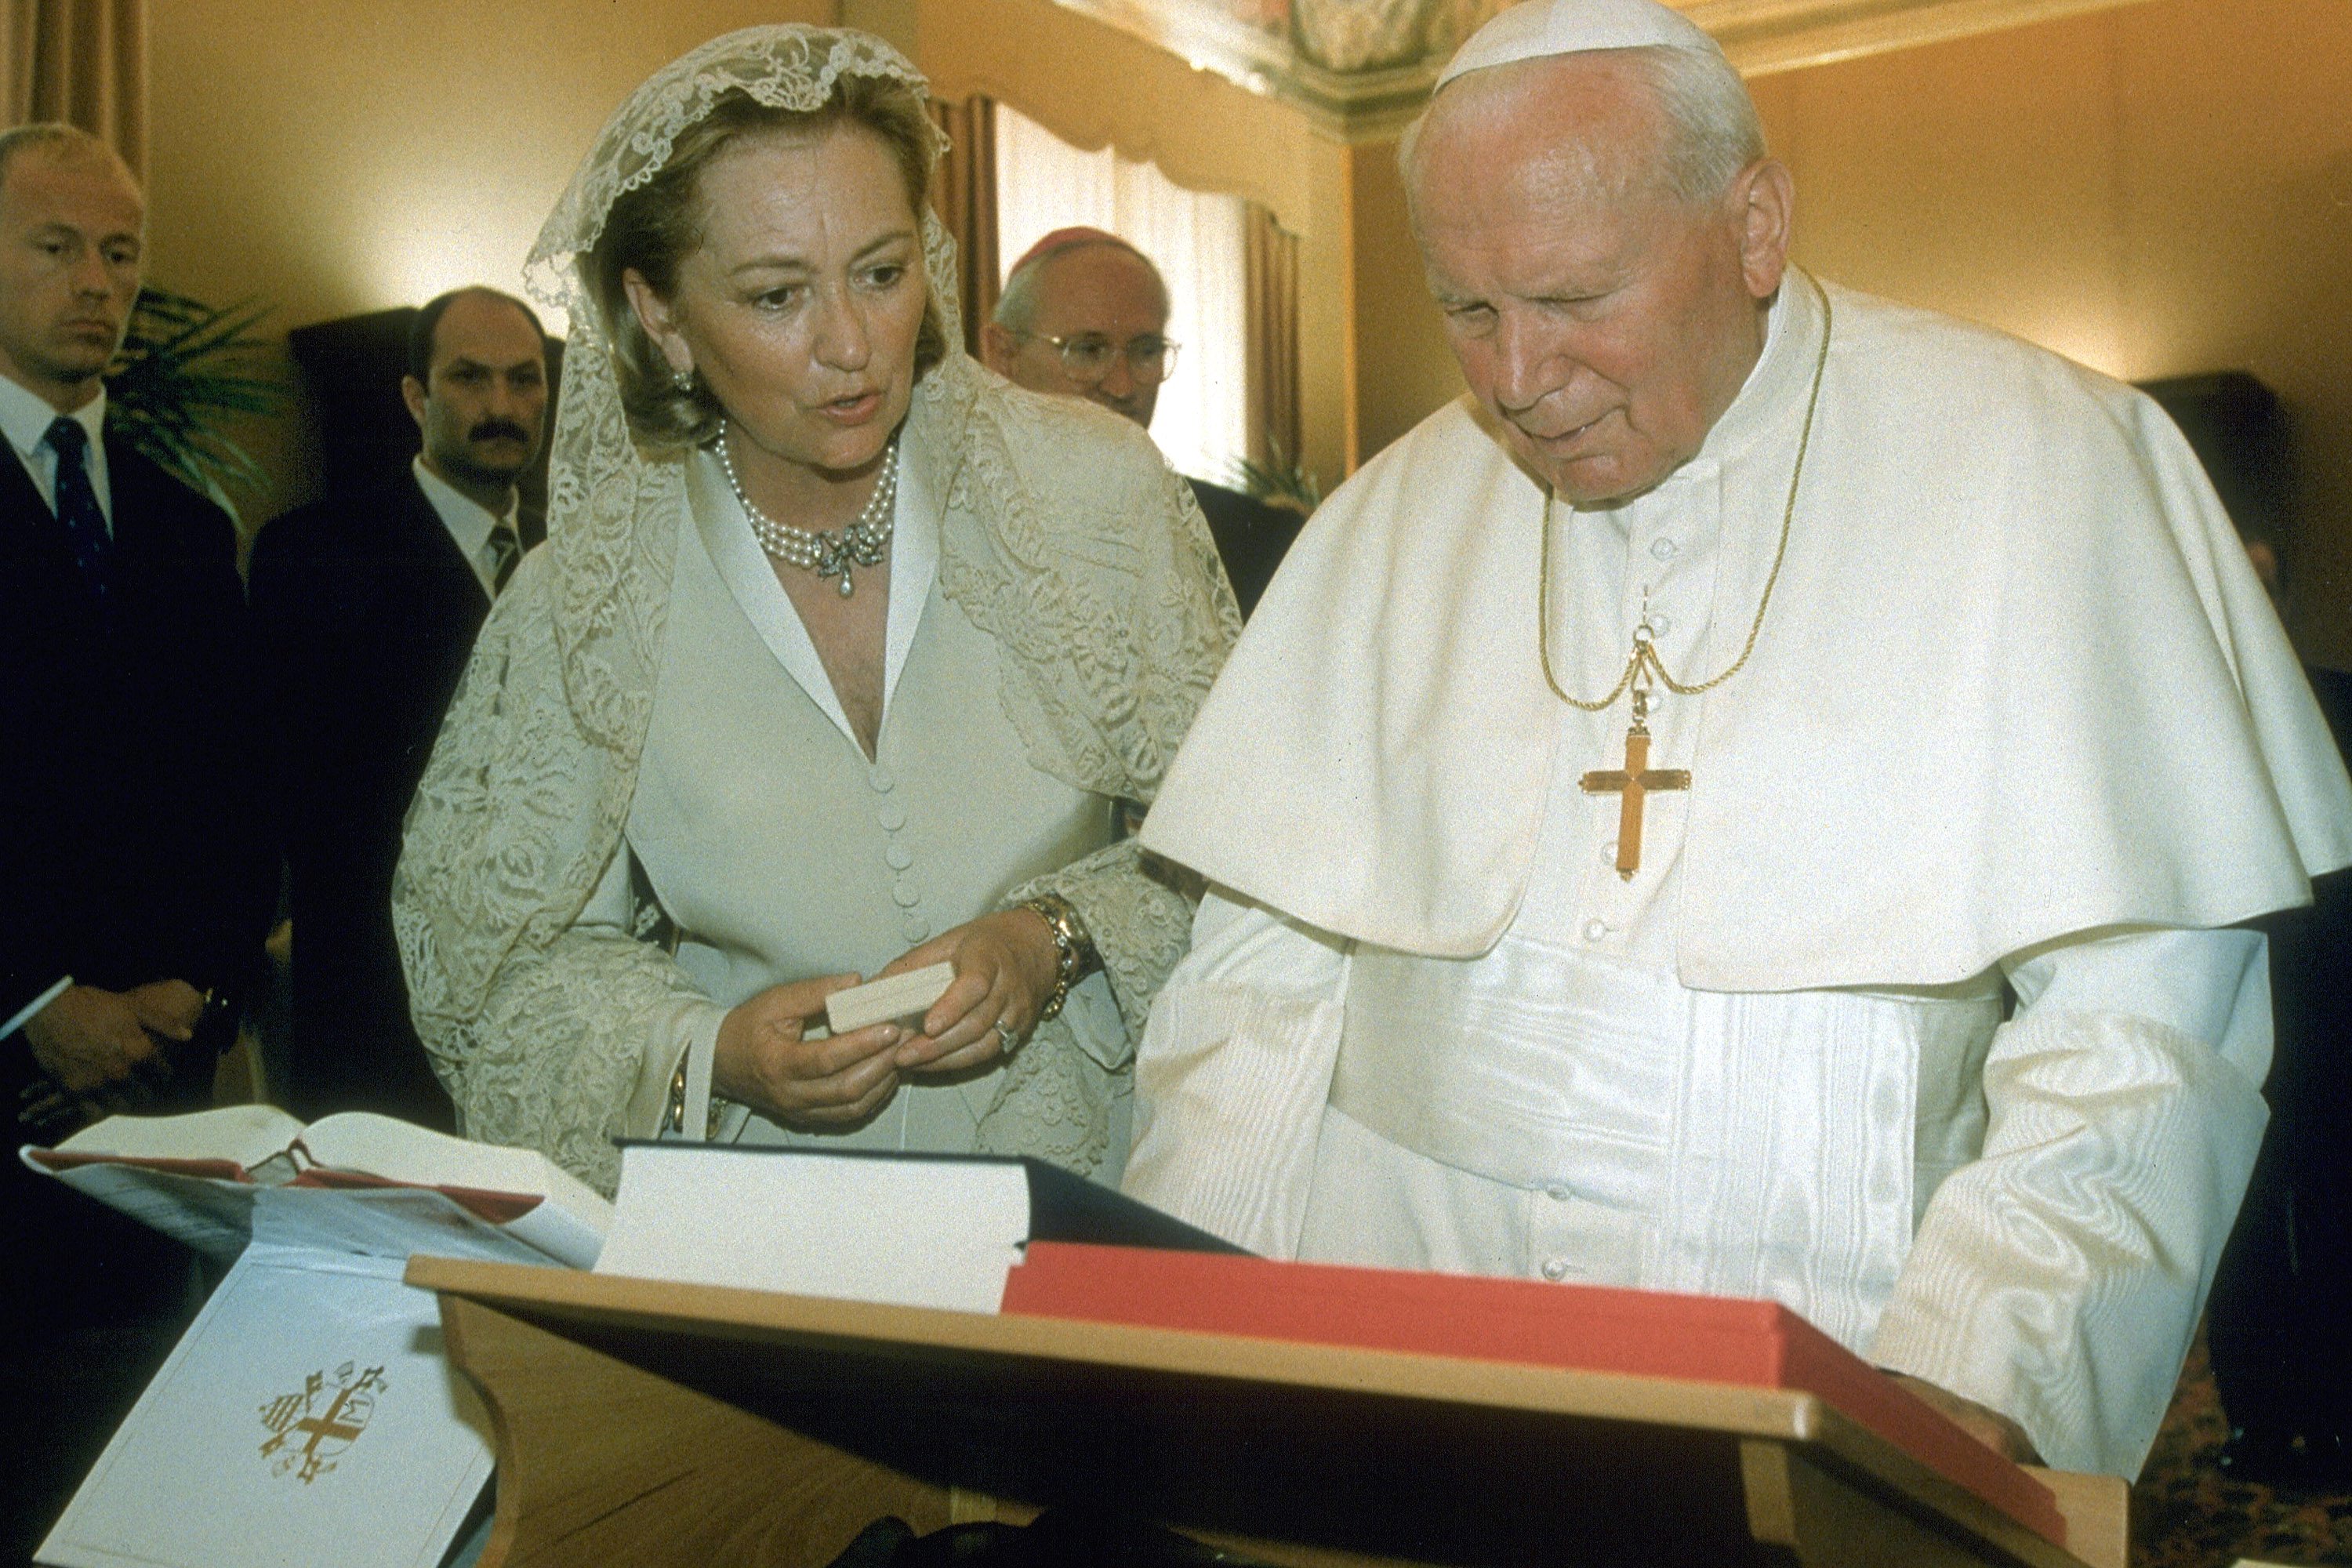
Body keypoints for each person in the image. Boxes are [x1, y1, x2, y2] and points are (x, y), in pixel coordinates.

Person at [1121, 0, 2352, 1480]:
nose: (1516, 379)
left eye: (1575, 298)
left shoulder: (2035, 461)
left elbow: (2143, 1027)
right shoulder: (1394, 515)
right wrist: (1184, 1361)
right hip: (1391, 1333)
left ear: (1755, 223)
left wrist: (1979, 1382)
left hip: (1834, 1337)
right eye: (1467, 310)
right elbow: (1253, 990)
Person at [393, 26, 1236, 1198]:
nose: (851, 346)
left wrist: (1050, 939)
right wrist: (712, 1051)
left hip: (1093, 1197)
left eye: (881, 274)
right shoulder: (585, 600)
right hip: (766, 1233)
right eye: (778, 295)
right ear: (663, 316)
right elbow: (506, 972)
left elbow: (1252, 850)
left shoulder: (1092, 499)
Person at [0, 122, 274, 1556]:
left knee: (134, 1495)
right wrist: (37, 1007)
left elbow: (239, 798)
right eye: (55, 248)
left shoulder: (181, 526)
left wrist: (205, 992)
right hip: (11, 1090)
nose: (95, 283)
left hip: (161, 1116)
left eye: (118, 253)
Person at [250, 287, 550, 1131]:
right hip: (379, 1016)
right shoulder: (315, 554)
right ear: (417, 397)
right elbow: (290, 803)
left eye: (525, 380)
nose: (501, 406)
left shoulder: (577, 561)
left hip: (550, 1016)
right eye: (469, 379)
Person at [982, 228, 1302, 615]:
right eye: (1088, 350)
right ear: (1003, 356)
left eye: (1146, 351)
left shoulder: (1257, 540)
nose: (1122, 386)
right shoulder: (948, 527)